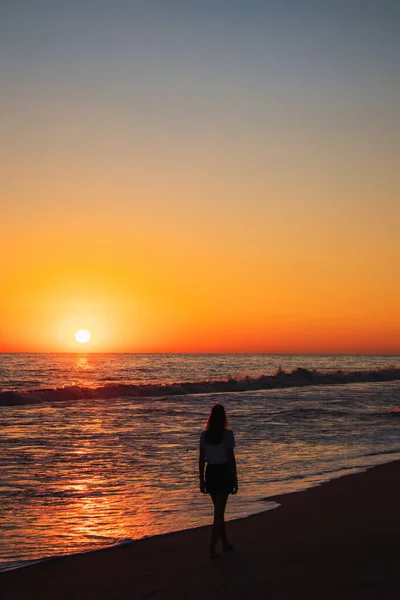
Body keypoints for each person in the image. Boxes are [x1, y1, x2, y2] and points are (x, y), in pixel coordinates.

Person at [199, 404, 238, 558]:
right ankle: (212, 545)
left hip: (211, 473)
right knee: (219, 513)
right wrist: (235, 478)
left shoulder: (204, 435)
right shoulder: (227, 435)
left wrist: (201, 479)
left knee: (218, 512)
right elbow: (230, 458)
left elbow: (201, 459)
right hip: (223, 472)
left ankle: (225, 543)